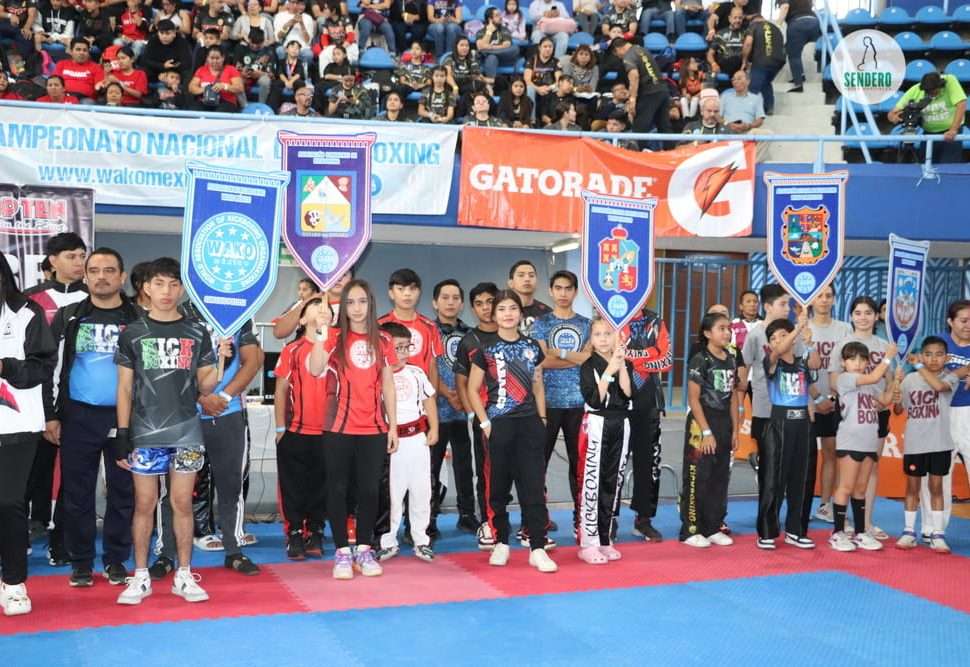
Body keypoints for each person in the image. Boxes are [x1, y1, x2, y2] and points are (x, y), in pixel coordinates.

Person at [112, 258, 229, 605]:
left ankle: (184, 574)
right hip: (145, 432)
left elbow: (206, 386)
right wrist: (122, 433)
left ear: (181, 289)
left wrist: (222, 356)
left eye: (173, 284)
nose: (166, 291)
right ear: (146, 287)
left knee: (181, 503)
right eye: (159, 283)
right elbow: (124, 388)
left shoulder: (197, 332)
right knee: (144, 503)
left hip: (186, 431)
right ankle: (140, 575)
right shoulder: (133, 332)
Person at [47, 248, 138, 588]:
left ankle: (116, 560)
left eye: (109, 270)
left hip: (125, 418)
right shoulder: (70, 317)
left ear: (122, 277)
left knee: (123, 491)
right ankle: (81, 562)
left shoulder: (139, 319)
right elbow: (51, 367)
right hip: (79, 417)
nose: (102, 277)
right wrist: (51, 415)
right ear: (85, 276)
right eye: (95, 270)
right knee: (77, 493)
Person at [308, 280, 398, 579]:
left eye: (362, 301)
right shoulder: (333, 336)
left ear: (371, 304)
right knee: (338, 488)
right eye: (350, 302)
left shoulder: (383, 339)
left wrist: (393, 426)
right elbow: (315, 369)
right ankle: (342, 552)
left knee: (370, 490)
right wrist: (320, 333)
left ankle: (364, 548)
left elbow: (388, 384)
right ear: (342, 307)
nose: (357, 308)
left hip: (374, 426)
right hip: (338, 426)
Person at [466, 290, 558, 573]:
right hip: (499, 424)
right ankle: (501, 542)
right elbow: (472, 389)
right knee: (497, 488)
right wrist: (485, 423)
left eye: (513, 308)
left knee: (533, 486)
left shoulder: (532, 346)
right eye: (502, 309)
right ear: (494, 314)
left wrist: (542, 418)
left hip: (530, 424)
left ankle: (537, 547)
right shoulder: (485, 348)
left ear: (520, 313)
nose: (508, 314)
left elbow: (538, 384)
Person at [25, 232, 88, 567]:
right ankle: (19, 535)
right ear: (53, 260)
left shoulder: (94, 300)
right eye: (70, 256)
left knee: (71, 476)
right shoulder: (28, 299)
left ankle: (59, 540)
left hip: (74, 401)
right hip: (28, 401)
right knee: (28, 473)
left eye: (82, 256)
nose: (78, 262)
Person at [0, 253, 58, 617]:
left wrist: (4, 367)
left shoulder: (27, 313)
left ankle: (14, 582)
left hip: (16, 426)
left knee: (9, 503)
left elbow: (43, 366)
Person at [895, 337, 970, 554]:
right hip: (915, 444)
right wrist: (896, 391)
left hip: (940, 444)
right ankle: (909, 531)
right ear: (922, 355)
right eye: (928, 354)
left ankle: (938, 534)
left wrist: (918, 365)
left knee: (936, 488)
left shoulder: (950, 378)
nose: (933, 359)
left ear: (946, 358)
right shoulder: (910, 380)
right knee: (912, 488)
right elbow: (900, 410)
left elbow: (938, 387)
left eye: (939, 355)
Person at [830, 296, 894, 541]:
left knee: (865, 478)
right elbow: (837, 381)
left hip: (873, 424)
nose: (863, 317)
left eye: (868, 312)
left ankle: (863, 526)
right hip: (851, 425)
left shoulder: (882, 344)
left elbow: (885, 390)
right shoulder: (844, 350)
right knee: (846, 481)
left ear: (876, 316)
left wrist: (895, 384)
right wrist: (888, 357)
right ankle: (839, 528)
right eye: (858, 312)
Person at [531, 270, 590, 534]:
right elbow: (542, 360)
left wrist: (561, 352)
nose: (563, 293)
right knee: (538, 463)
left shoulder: (586, 324)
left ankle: (581, 519)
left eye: (568, 288)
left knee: (579, 465)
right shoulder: (541, 323)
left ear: (575, 292)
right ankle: (538, 519)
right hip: (547, 403)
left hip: (579, 403)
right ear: (551, 291)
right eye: (558, 288)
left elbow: (590, 358)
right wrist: (576, 357)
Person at [757, 312, 820, 550]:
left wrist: (810, 342)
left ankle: (796, 530)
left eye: (782, 336)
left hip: (802, 424)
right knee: (774, 479)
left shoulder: (802, 362)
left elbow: (816, 364)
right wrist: (797, 327)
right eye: (773, 338)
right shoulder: (771, 362)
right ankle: (767, 531)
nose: (779, 341)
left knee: (801, 479)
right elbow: (778, 350)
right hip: (779, 424)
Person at [273, 298, 330, 560]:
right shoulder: (292, 350)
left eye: (326, 309)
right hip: (296, 430)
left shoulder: (336, 349)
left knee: (322, 486)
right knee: (293, 487)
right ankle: (295, 532)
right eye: (315, 307)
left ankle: (316, 530)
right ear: (303, 319)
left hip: (328, 432)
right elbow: (281, 390)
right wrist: (280, 427)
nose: (322, 310)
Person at [376, 322, 438, 562]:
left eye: (405, 347)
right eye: (396, 348)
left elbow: (428, 400)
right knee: (392, 494)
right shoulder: (378, 376)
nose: (401, 353)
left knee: (421, 491)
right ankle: (387, 540)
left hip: (417, 440)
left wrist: (434, 428)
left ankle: (421, 539)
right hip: (392, 443)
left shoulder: (417, 373)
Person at [576, 316, 634, 565]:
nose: (603, 339)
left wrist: (620, 365)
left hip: (621, 423)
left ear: (617, 338)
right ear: (591, 339)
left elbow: (628, 393)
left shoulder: (624, 363)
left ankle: (604, 538)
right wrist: (609, 370)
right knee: (592, 483)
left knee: (613, 482)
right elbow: (595, 400)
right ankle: (588, 543)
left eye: (608, 334)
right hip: (597, 424)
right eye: (598, 334)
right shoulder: (587, 366)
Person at [680, 311, 739, 548]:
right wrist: (706, 432)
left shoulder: (731, 358)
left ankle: (713, 526)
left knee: (719, 476)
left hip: (724, 422)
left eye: (728, 328)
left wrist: (735, 430)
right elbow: (693, 399)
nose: (727, 332)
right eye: (721, 328)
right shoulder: (700, 360)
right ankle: (691, 529)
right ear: (707, 333)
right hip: (701, 423)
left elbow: (733, 397)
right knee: (697, 476)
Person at [453, 282, 500, 546]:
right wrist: (473, 415)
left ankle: (525, 522)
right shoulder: (469, 340)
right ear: (472, 308)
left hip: (513, 415)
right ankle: (487, 523)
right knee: (485, 472)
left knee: (518, 470)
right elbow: (461, 383)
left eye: (490, 301)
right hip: (484, 418)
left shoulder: (511, 335)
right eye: (479, 304)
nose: (486, 308)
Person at [622, 305, 672, 541]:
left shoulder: (656, 322)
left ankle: (643, 520)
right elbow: (610, 356)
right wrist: (651, 353)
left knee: (648, 464)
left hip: (648, 400)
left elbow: (667, 360)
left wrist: (634, 361)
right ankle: (607, 520)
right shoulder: (611, 319)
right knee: (612, 464)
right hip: (617, 400)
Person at [430, 279, 477, 532]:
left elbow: (476, 370)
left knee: (464, 465)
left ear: (461, 304)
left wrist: (464, 396)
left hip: (462, 411)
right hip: (434, 411)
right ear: (435, 302)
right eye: (445, 298)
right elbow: (423, 367)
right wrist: (447, 393)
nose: (450, 302)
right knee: (431, 467)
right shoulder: (428, 331)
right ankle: (428, 519)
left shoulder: (470, 334)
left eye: (455, 298)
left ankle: (467, 514)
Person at [807, 285, 852, 526]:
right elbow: (797, 368)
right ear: (811, 300)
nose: (824, 300)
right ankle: (801, 505)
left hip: (835, 402)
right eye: (819, 296)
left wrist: (833, 398)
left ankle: (825, 505)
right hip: (807, 402)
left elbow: (849, 366)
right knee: (805, 458)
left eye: (828, 296)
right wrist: (816, 398)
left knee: (831, 453)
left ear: (834, 299)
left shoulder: (845, 329)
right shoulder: (803, 328)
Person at [926, 300, 970, 536]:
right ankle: (933, 527)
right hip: (941, 412)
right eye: (964, 320)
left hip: (968, 411)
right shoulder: (938, 344)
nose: (968, 325)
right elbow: (922, 370)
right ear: (950, 321)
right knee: (937, 473)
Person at [740, 284, 793, 460]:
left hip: (790, 405)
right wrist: (739, 403)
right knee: (767, 457)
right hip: (764, 406)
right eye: (783, 304)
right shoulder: (755, 335)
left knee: (786, 456)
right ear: (768, 307)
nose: (788, 309)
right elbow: (744, 367)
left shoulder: (793, 333)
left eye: (788, 304)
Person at [889, 72, 967, 164]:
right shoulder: (915, 90)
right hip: (929, 133)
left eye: (934, 92)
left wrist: (953, 130)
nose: (932, 95)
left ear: (940, 86)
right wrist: (894, 117)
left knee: (949, 166)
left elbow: (961, 104)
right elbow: (892, 113)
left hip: (950, 132)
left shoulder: (950, 80)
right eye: (929, 92)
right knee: (925, 165)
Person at [610, 37, 671, 146]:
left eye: (617, 54)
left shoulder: (628, 56)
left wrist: (632, 99)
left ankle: (636, 154)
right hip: (662, 89)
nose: (619, 57)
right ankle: (670, 151)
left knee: (640, 127)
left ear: (618, 49)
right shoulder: (641, 50)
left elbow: (634, 75)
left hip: (649, 92)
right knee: (664, 126)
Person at [741, 14, 784, 115]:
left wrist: (744, 60)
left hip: (762, 60)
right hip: (778, 61)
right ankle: (769, 107)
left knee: (753, 87)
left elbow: (748, 43)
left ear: (753, 21)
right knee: (766, 82)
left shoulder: (754, 26)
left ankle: (747, 111)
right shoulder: (776, 28)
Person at [775, 0, 818, 93]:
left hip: (798, 23)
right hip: (815, 22)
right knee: (789, 47)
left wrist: (777, 25)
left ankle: (798, 84)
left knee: (794, 55)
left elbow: (785, 7)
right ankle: (801, 75)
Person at [188, 45, 244, 112]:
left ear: (223, 58)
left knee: (221, 111)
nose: (214, 61)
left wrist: (224, 86)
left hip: (226, 103)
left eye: (217, 58)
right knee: (193, 109)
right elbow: (191, 88)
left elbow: (240, 88)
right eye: (212, 58)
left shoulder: (231, 69)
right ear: (207, 58)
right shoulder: (201, 70)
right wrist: (205, 89)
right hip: (205, 102)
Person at [476, 7, 518, 91]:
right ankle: (491, 86)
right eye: (497, 15)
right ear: (490, 19)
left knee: (515, 48)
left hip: (504, 57)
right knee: (491, 57)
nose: (500, 17)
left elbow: (507, 45)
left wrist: (489, 48)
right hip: (490, 60)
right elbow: (480, 46)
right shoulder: (481, 31)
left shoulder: (504, 29)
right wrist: (489, 32)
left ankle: (487, 53)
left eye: (500, 15)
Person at [141, 19, 193, 83]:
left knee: (187, 73)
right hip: (157, 70)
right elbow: (145, 60)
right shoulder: (153, 40)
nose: (164, 36)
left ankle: (180, 88)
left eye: (167, 33)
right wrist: (162, 66)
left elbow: (187, 63)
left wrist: (171, 72)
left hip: (175, 71)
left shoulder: (182, 42)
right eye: (161, 33)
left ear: (174, 33)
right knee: (143, 71)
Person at [235, 27, 277, 106]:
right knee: (237, 80)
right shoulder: (241, 48)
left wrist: (261, 73)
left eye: (258, 44)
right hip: (245, 76)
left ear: (263, 41)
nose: (254, 46)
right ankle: (244, 106)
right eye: (252, 43)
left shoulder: (269, 51)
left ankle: (261, 105)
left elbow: (272, 75)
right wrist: (242, 73)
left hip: (261, 76)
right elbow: (235, 68)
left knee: (265, 81)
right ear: (248, 39)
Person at [508, 259, 551, 336]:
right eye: (521, 275)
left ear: (537, 282)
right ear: (511, 283)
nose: (527, 279)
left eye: (531, 276)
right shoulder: (502, 311)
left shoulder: (547, 313)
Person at [524, 36, 560, 123]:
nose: (548, 49)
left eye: (550, 47)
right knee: (529, 89)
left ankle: (552, 120)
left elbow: (559, 80)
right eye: (545, 46)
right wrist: (538, 89)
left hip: (549, 88)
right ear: (539, 48)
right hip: (535, 87)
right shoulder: (532, 60)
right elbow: (527, 80)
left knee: (558, 89)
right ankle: (532, 120)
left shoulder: (556, 61)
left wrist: (549, 88)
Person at [707, 5, 745, 79]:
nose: (738, 20)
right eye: (735, 18)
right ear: (729, 19)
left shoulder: (746, 34)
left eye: (740, 18)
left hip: (740, 65)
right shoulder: (720, 34)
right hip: (725, 64)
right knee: (735, 59)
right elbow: (710, 54)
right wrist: (713, 64)